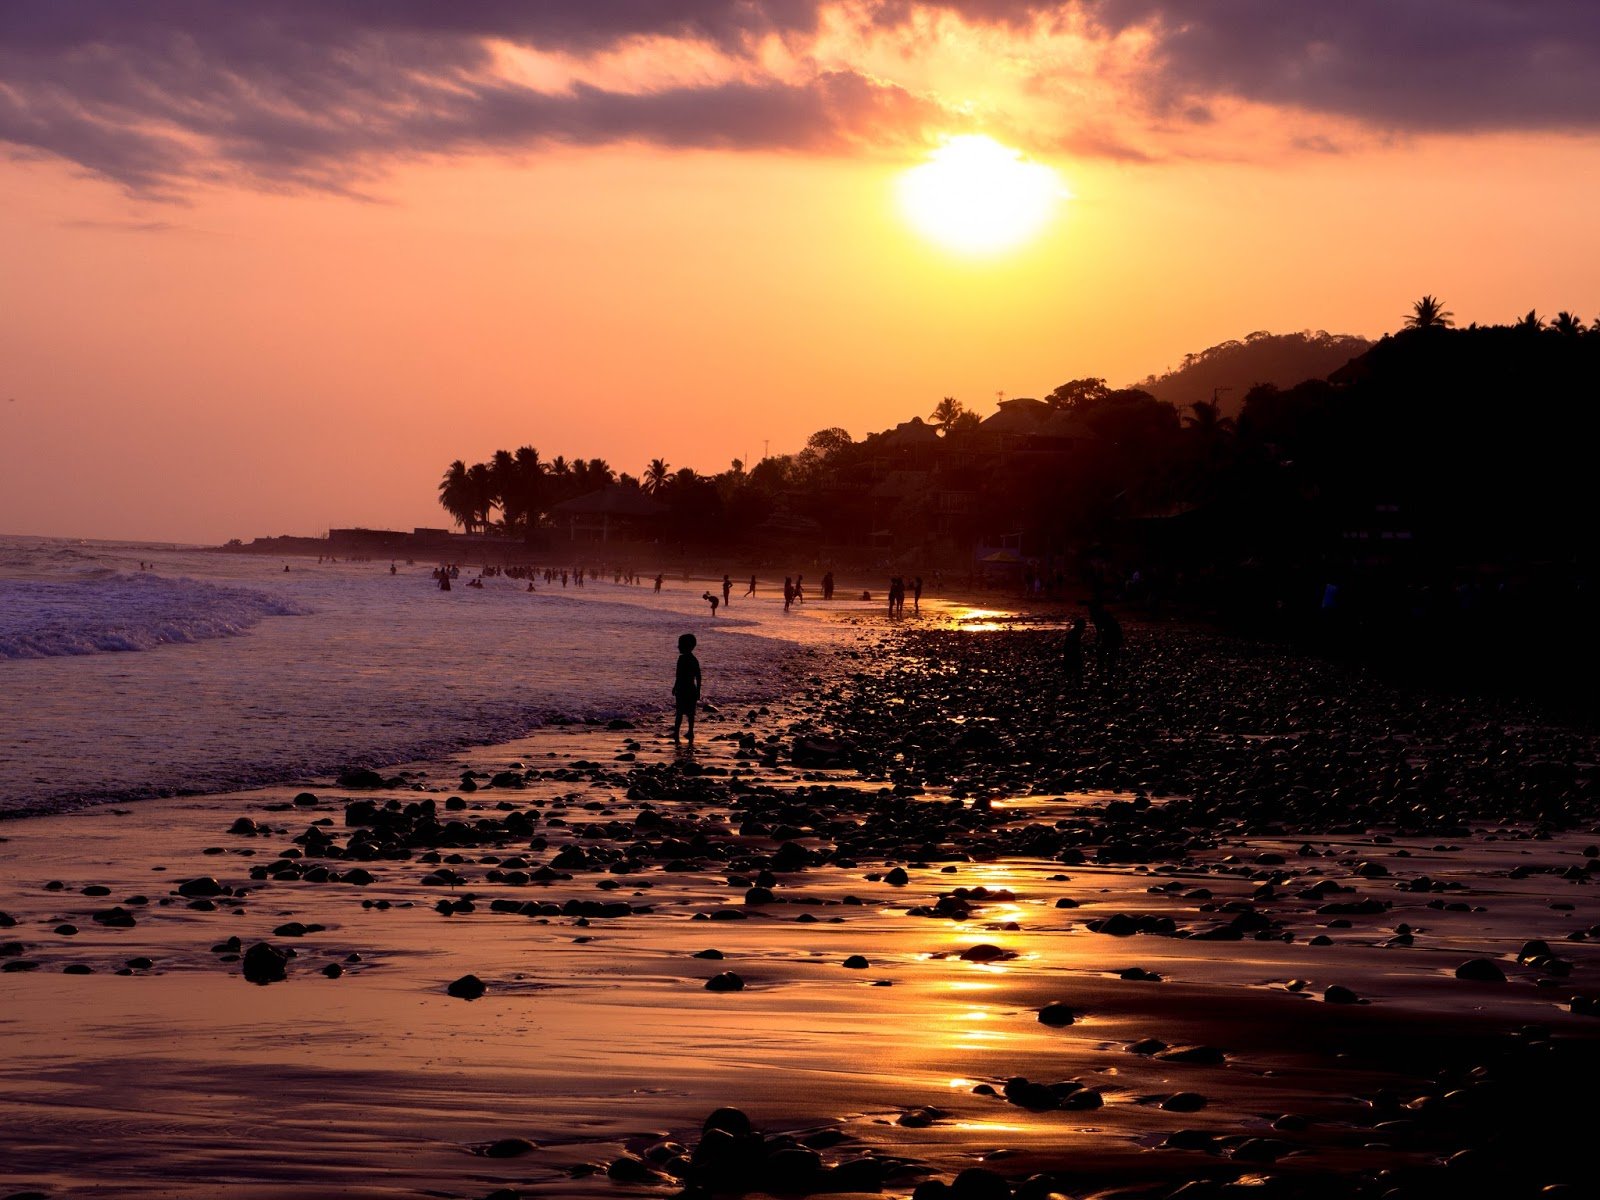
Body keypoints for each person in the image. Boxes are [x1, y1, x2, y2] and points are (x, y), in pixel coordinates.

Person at [671, 633, 701, 742]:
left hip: (683, 689)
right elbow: (698, 677)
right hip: (690, 689)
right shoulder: (693, 660)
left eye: (680, 645)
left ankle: (677, 732)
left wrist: (675, 686)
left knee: (680, 713)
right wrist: (698, 690)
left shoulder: (683, 659)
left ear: (687, 646)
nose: (678, 647)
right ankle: (690, 731)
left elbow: (679, 675)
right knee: (690, 713)